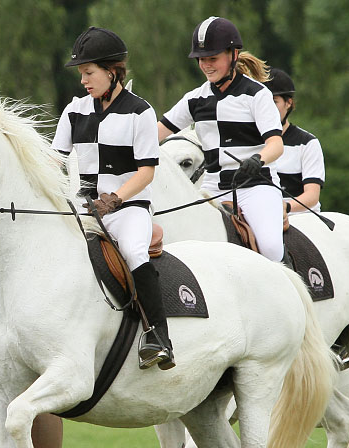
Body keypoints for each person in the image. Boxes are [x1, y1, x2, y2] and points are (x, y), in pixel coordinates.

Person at [53, 27, 174, 370]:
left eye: (89, 73)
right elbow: (53, 162)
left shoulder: (140, 112)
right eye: (81, 74)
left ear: (112, 70)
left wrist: (115, 200)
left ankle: (158, 336)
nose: (83, 81)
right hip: (83, 208)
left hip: (128, 208)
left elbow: (146, 172)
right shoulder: (74, 111)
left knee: (135, 251)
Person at [157, 16, 285, 262]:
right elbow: (157, 132)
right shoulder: (194, 99)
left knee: (270, 248)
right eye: (202, 60)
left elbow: (276, 145)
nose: (206, 65)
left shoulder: (257, 95)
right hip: (212, 188)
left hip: (255, 186)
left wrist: (257, 160)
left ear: (233, 54)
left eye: (212, 58)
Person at [263, 67, 325, 213]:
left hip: (298, 216)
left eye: (274, 102)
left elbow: (312, 195)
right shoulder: (249, 142)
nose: (267, 109)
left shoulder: (308, 143)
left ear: (288, 103)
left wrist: (285, 207)